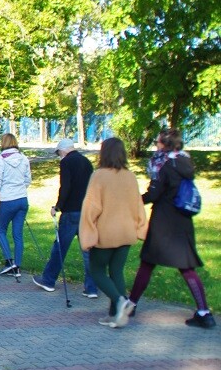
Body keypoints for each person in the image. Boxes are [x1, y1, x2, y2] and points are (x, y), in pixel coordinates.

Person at [128, 129, 215, 329]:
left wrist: (136, 200)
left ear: (165, 144)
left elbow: (154, 194)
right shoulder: (185, 162)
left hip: (163, 222)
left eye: (158, 142)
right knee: (186, 266)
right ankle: (204, 312)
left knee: (147, 263)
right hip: (183, 221)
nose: (156, 145)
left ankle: (131, 305)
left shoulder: (163, 164)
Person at [78, 138, 147, 328]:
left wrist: (87, 234)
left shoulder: (99, 176)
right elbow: (138, 205)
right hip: (127, 231)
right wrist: (141, 227)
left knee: (96, 269)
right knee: (116, 270)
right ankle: (114, 315)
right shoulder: (130, 176)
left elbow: (91, 208)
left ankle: (120, 301)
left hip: (105, 233)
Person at [33, 138, 98, 297]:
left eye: (59, 153)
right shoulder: (86, 162)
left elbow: (66, 186)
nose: (59, 156)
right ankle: (91, 288)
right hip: (87, 211)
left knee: (60, 247)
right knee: (88, 250)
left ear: (63, 150)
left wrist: (58, 206)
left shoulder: (67, 162)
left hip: (70, 212)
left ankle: (48, 280)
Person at [0, 133, 32, 277]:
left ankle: (9, 261)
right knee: (18, 234)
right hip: (22, 199)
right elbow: (28, 179)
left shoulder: (0, 160)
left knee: (1, 230)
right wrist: (20, 188)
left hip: (8, 199)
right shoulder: (24, 158)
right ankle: (17, 265)